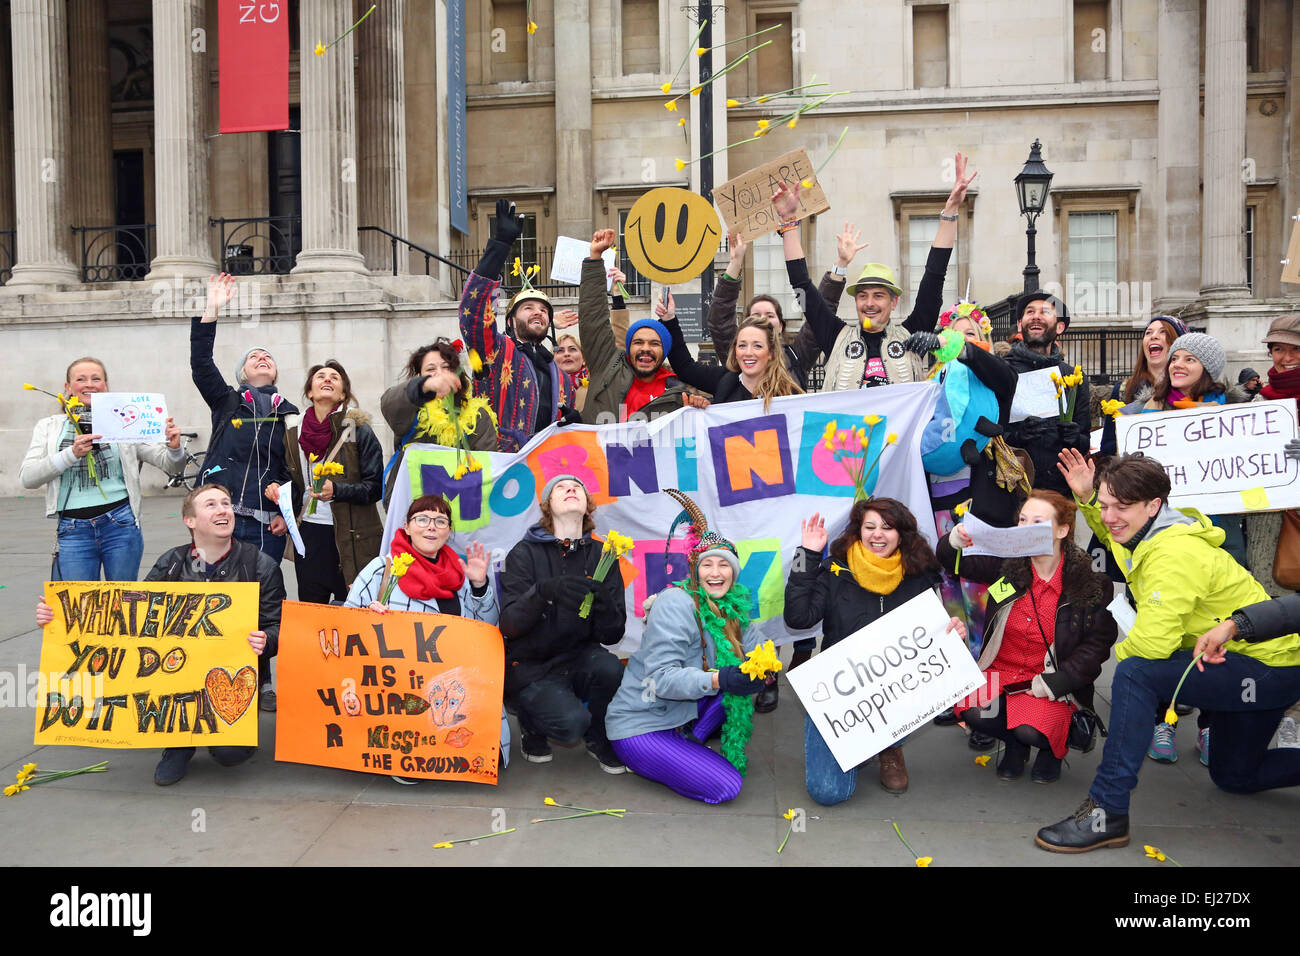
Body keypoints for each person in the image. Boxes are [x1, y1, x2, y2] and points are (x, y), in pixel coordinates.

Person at [1036, 451, 1300, 852]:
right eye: (1106, 506)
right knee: (1234, 778)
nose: (1110, 517)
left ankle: (1108, 812)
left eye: (1121, 507)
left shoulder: (1173, 553)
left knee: (1135, 673)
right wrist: (1090, 498)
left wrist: (1079, 677)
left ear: (1154, 505)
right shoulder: (1146, 530)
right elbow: (1112, 537)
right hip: (1250, 667)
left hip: (1267, 669)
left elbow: (1152, 647)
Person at [35, 483, 285, 785]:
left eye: (226, 503)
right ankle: (178, 743)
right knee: (186, 724)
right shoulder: (172, 563)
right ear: (189, 521)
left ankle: (215, 732)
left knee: (231, 753)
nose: (223, 510)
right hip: (175, 675)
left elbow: (279, 626)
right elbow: (129, 621)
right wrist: (58, 618)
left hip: (230, 679)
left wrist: (266, 640)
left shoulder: (260, 565)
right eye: (211, 505)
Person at [784, 498, 967, 803]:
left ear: (901, 534)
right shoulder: (834, 569)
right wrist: (807, 556)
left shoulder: (918, 574)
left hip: (894, 692)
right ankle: (858, 745)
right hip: (838, 693)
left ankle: (889, 747)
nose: (877, 535)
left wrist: (953, 631)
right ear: (858, 531)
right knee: (829, 793)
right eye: (869, 527)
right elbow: (797, 618)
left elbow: (933, 636)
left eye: (887, 527)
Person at [938, 491, 1118, 783]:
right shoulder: (1007, 568)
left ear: (1062, 530)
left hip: (1049, 678)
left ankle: (1051, 750)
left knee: (1031, 728)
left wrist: (1058, 682)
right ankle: (1015, 745)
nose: (1025, 527)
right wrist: (954, 541)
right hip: (1002, 672)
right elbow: (954, 563)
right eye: (1022, 520)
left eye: (1037, 521)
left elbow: (1097, 646)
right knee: (972, 707)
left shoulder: (1089, 582)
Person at [605, 490, 766, 803]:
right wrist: (721, 679)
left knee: (740, 686)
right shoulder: (676, 603)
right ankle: (656, 759)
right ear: (695, 571)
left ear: (734, 573)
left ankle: (686, 744)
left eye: (725, 565)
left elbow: (760, 651)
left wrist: (765, 667)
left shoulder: (732, 608)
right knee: (727, 786)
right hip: (643, 723)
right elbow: (662, 679)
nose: (716, 573)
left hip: (683, 713)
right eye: (708, 565)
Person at [344, 493, 508, 782]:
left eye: (440, 520)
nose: (431, 526)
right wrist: (366, 616)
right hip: (400, 690)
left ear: (448, 530)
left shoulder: (460, 573)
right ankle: (407, 758)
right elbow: (344, 623)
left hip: (453, 691)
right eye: (422, 519)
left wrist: (480, 585)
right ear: (407, 526)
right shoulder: (381, 569)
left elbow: (486, 630)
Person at [778, 153, 976, 392]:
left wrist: (951, 210)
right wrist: (789, 224)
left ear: (894, 302)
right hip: (845, 430)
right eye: (863, 296)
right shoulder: (836, 336)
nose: (869, 303)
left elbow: (935, 276)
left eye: (878, 295)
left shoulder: (911, 334)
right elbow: (801, 285)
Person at [498, 475, 628, 773]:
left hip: (581, 655)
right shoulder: (524, 552)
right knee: (571, 726)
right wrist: (543, 592)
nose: (571, 489)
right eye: (560, 487)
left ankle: (597, 736)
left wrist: (606, 604)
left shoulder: (602, 555)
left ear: (587, 506)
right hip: (535, 664)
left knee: (611, 670)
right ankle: (531, 722)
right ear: (548, 506)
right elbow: (509, 625)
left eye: (578, 487)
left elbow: (613, 635)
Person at [21, 356, 186, 580]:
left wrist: (174, 447)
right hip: (73, 529)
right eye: (81, 379)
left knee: (122, 603)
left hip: (120, 524)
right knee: (81, 607)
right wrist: (71, 454)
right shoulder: (49, 426)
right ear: (68, 387)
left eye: (96, 378)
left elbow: (169, 463)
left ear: (105, 386)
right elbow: (28, 478)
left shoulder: (123, 420)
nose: (89, 384)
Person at [190, 273, 298, 563]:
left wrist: (287, 514)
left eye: (268, 357)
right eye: (254, 357)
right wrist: (211, 310)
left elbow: (292, 470)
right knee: (219, 595)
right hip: (220, 518)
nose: (262, 358)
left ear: (275, 372)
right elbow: (201, 364)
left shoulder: (289, 414)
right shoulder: (227, 402)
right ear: (242, 374)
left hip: (266, 524)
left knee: (263, 599)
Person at [459, 198, 577, 452]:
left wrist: (573, 425)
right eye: (528, 308)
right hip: (498, 466)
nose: (538, 313)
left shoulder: (564, 379)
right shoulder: (495, 352)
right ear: (510, 320)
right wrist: (500, 246)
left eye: (544, 310)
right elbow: (474, 313)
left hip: (546, 471)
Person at [264, 360, 383, 610]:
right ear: (310, 392)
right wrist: (279, 492)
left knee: (352, 611)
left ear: (342, 394)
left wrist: (338, 491)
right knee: (312, 610)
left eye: (334, 377)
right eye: (320, 376)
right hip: (308, 535)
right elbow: (291, 480)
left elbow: (374, 487)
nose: (327, 379)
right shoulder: (293, 434)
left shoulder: (359, 431)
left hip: (353, 538)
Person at [578, 229, 694, 423]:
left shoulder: (677, 393)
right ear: (628, 347)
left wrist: (698, 408)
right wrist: (595, 259)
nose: (645, 349)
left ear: (664, 351)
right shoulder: (608, 367)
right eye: (638, 342)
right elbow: (593, 318)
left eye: (654, 344)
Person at [706, 227, 840, 391]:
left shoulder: (797, 355)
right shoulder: (736, 354)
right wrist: (735, 263)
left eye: (770, 315)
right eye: (756, 315)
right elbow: (720, 321)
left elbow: (820, 317)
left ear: (781, 325)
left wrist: (840, 268)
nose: (763, 319)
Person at [380, 339, 498, 503]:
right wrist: (424, 387)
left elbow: (487, 465)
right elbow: (389, 403)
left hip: (461, 508)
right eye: (430, 369)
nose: (439, 373)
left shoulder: (479, 415)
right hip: (410, 506)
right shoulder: (411, 406)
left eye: (446, 367)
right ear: (419, 377)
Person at [999, 289, 1091, 499]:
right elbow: (989, 430)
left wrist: (1074, 437)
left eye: (1045, 312)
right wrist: (1016, 437)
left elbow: (1084, 439)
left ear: (1060, 327)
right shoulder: (1003, 371)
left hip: (1059, 491)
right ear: (1021, 324)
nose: (1036, 316)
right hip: (1012, 489)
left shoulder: (1073, 376)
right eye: (1030, 312)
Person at [657, 303, 804, 409]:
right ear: (735, 350)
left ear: (771, 353)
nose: (748, 352)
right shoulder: (725, 380)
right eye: (742, 345)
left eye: (757, 346)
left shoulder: (790, 393)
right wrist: (669, 320)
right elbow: (685, 368)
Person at [1098, 314, 1188, 456]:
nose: (1154, 336)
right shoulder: (1123, 390)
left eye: (1163, 331)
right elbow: (1107, 447)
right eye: (1148, 333)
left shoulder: (1192, 389)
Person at [552, 265, 633, 415]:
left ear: (584, 358)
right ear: (553, 358)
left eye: (573, 349)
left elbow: (619, 343)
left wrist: (617, 296)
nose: (566, 354)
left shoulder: (600, 377)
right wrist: (547, 322)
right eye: (560, 350)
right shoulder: (543, 381)